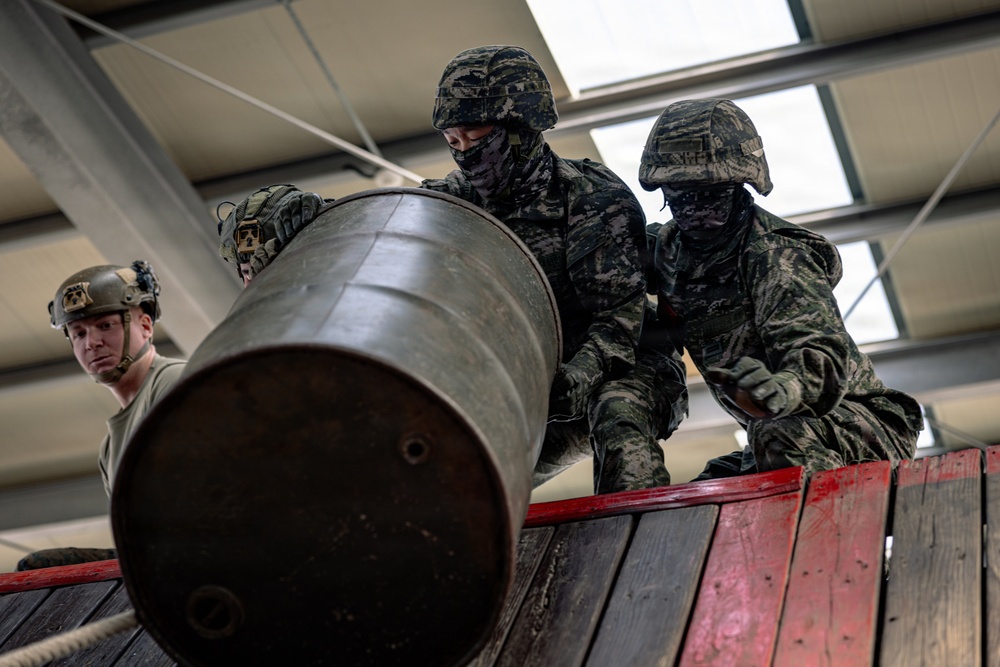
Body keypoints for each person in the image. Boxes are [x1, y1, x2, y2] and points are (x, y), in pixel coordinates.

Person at [218, 46, 688, 494]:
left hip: (621, 372)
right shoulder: (460, 200)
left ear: (522, 129)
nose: (464, 153)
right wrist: (310, 216)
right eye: (452, 142)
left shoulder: (593, 201)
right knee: (443, 471)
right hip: (529, 383)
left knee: (620, 425)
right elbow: (395, 219)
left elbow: (618, 326)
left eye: (477, 138)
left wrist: (574, 380)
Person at [638, 98, 923, 479]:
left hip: (858, 427)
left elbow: (818, 355)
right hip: (774, 431)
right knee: (704, 494)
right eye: (679, 196)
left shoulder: (775, 256)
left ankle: (821, 537)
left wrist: (783, 388)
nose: (694, 211)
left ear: (741, 184)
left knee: (776, 432)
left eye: (709, 195)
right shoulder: (669, 249)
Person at [19, 261, 185, 571]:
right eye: (78, 333)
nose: (91, 342)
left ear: (146, 326)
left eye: (106, 325)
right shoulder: (110, 445)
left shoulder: (175, 383)